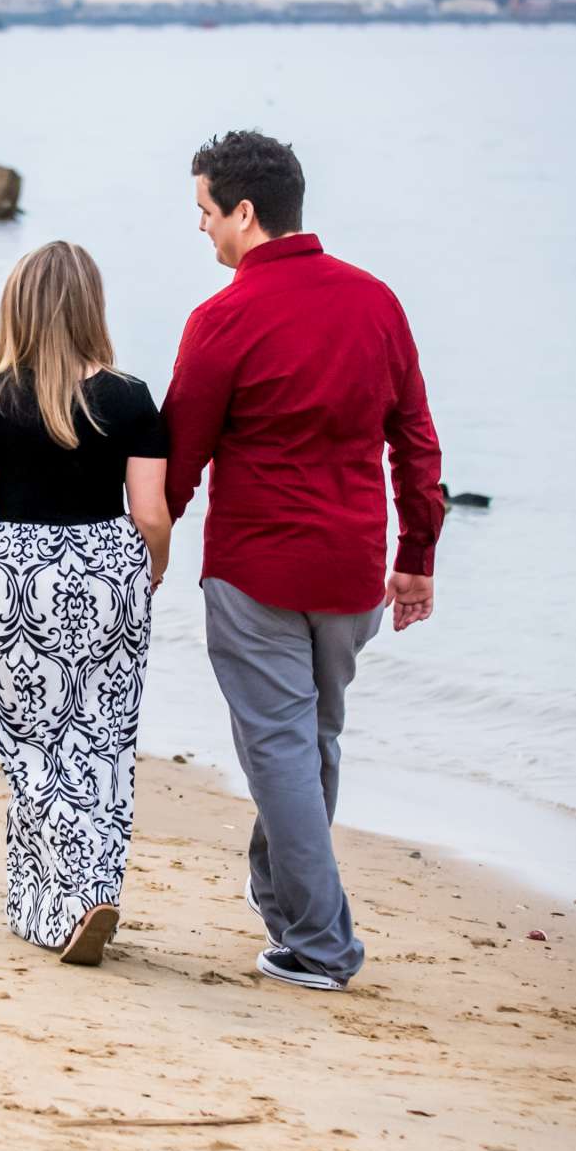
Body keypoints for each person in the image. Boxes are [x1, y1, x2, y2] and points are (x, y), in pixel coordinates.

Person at [162, 130, 443, 992]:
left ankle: (324, 947)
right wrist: (416, 554)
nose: (202, 230)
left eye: (206, 213)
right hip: (353, 571)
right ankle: (283, 901)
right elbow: (417, 440)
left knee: (283, 751)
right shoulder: (375, 301)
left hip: (259, 573)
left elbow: (180, 458)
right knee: (309, 743)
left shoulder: (222, 319)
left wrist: (144, 547)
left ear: (245, 213)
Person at [0, 241, 172, 966]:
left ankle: (70, 894)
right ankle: (65, 895)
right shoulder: (132, 396)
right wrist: (150, 573)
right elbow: (152, 514)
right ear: (91, 306)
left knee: (32, 744)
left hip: (21, 580)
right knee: (100, 742)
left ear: (18, 306)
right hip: (108, 576)